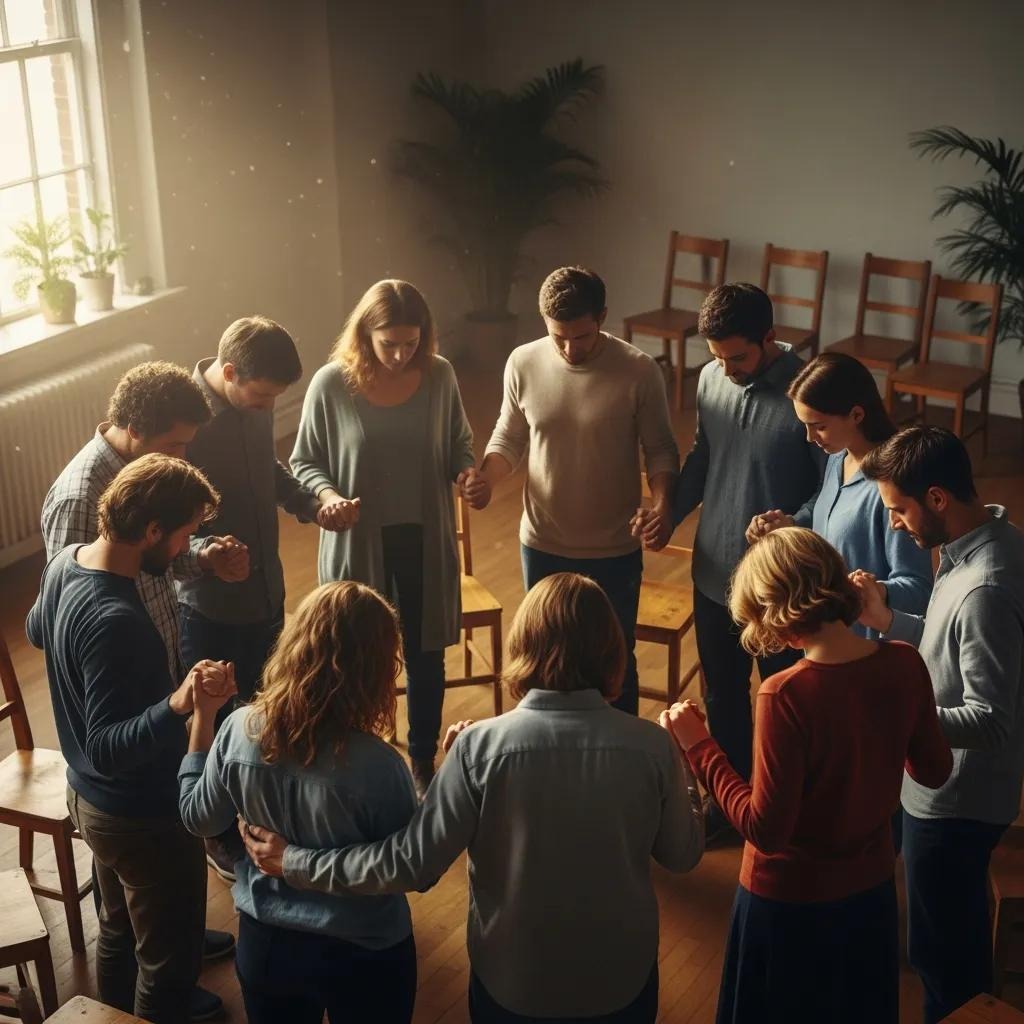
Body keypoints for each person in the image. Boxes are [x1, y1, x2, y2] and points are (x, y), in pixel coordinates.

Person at [241, 573, 704, 1023]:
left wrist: (294, 861)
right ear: (612, 651)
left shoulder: (477, 748)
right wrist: (684, 764)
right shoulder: (652, 747)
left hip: (513, 983)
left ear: (524, 644)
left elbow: (411, 865)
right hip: (620, 981)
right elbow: (683, 856)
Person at [661, 527, 951, 1024]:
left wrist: (699, 747)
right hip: (870, 894)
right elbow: (933, 768)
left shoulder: (785, 694)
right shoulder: (904, 662)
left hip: (790, 904)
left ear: (776, 615)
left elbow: (767, 830)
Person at [40, 361, 243, 1018]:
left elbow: (35, 626)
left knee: (120, 927)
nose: (187, 545)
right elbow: (108, 746)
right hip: (137, 809)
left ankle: (117, 1011)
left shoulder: (69, 568)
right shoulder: (117, 619)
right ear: (152, 531)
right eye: (184, 534)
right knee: (168, 958)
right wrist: (180, 703)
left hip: (91, 802)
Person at [178, 582, 419, 1024]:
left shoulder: (236, 730)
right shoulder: (380, 768)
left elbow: (198, 817)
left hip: (269, 944)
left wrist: (203, 717)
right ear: (375, 669)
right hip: (367, 950)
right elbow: (409, 869)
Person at [853, 425, 1024, 1024]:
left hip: (956, 801)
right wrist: (890, 618)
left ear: (936, 499)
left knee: (943, 961)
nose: (894, 523)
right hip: (943, 787)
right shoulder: (985, 540)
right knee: (945, 943)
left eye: (898, 509)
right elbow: (946, 645)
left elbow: (991, 720)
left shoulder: (987, 586)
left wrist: (896, 712)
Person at [290, 280, 477, 797]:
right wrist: (326, 494)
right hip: (356, 541)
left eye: (410, 344)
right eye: (388, 344)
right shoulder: (332, 384)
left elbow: (460, 442)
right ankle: (350, 761)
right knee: (349, 654)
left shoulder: (439, 376)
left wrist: (465, 472)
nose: (399, 355)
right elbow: (304, 460)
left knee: (424, 653)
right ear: (364, 335)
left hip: (423, 539)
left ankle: (421, 761)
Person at [473, 266, 680, 716]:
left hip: (614, 548)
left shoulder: (639, 371)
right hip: (543, 543)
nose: (569, 349)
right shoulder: (523, 362)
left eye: (581, 337)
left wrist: (662, 507)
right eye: (557, 337)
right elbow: (508, 438)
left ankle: (619, 775)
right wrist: (486, 478)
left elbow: (661, 449)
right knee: (543, 666)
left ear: (602, 317)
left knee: (615, 669)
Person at [665, 283, 826, 840]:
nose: (727, 369)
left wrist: (795, 521)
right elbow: (703, 456)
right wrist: (670, 513)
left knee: (783, 702)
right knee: (721, 696)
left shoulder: (809, 393)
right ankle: (727, 808)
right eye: (717, 357)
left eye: (738, 356)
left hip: (781, 584)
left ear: (769, 338)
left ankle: (786, 809)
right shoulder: (712, 379)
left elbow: (833, 488)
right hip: (713, 574)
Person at [181, 316, 338, 878]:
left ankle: (262, 816)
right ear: (228, 374)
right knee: (221, 723)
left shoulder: (253, 401)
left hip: (267, 594)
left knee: (265, 708)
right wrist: (207, 554)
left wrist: (311, 505)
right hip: (210, 609)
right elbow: (169, 520)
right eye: (264, 397)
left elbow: (268, 471)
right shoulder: (186, 423)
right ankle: (219, 834)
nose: (268, 406)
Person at [746, 352, 932, 640]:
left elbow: (918, 588)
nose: (810, 438)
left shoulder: (893, 487)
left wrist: (868, 592)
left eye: (819, 426)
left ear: (857, 415)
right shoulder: (838, 455)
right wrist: (791, 525)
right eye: (805, 426)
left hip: (864, 652)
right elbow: (825, 508)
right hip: (827, 639)